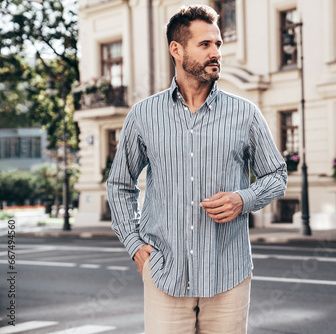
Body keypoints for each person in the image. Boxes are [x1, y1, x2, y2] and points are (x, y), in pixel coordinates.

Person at [106, 4, 287, 334]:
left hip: (228, 275)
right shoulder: (144, 115)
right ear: (177, 49)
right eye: (205, 45)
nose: (215, 52)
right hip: (165, 275)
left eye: (217, 44)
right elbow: (120, 183)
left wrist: (243, 199)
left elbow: (276, 175)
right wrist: (134, 244)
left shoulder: (244, 113)